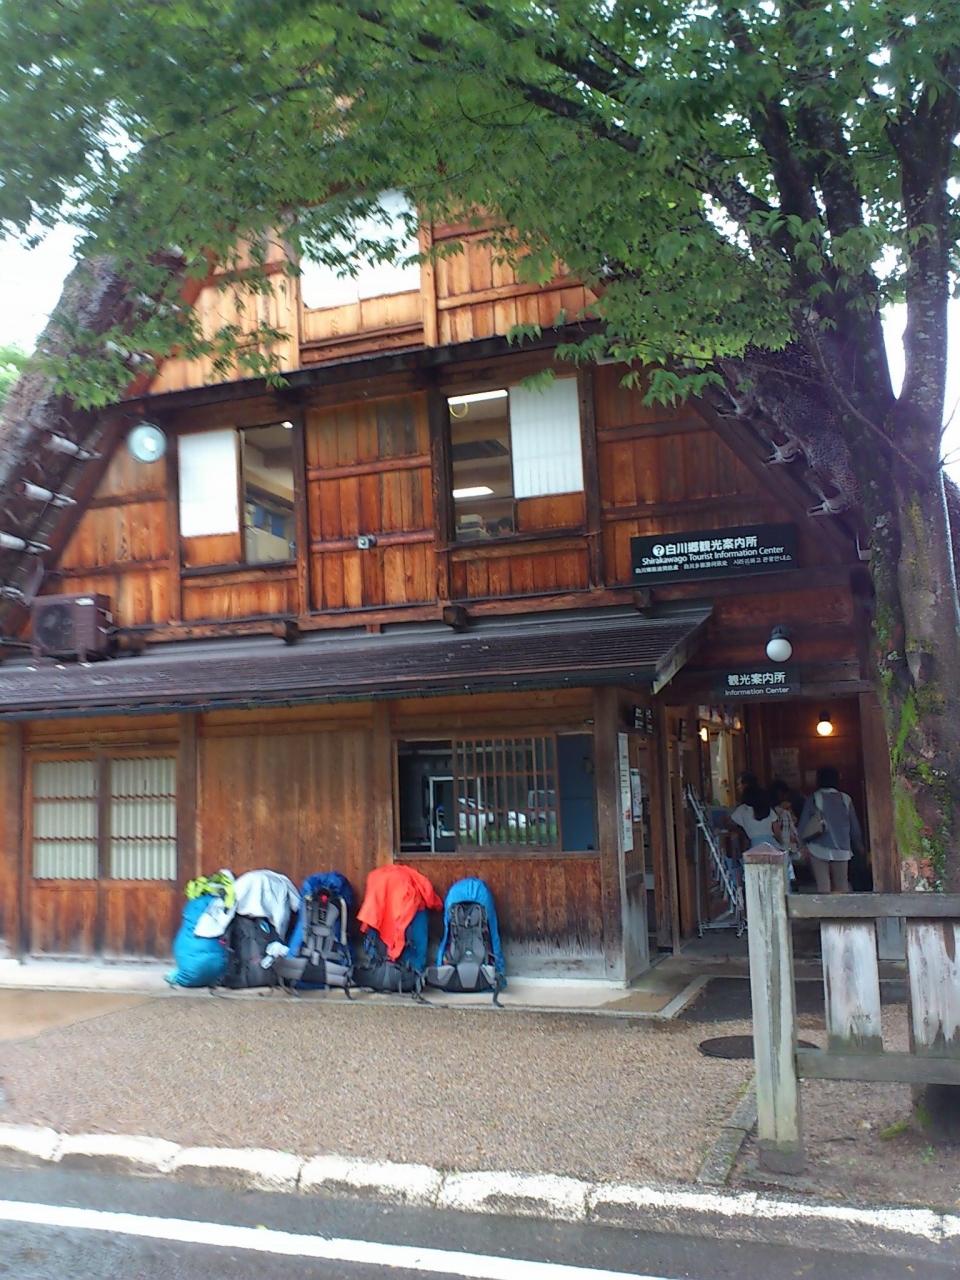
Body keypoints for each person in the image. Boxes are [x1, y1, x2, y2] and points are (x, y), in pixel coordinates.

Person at [798, 766, 864, 893]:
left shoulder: (813, 798)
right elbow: (854, 826)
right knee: (842, 885)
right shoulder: (846, 799)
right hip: (842, 849)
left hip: (818, 848)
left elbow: (802, 826)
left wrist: (801, 846)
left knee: (823, 886)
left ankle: (825, 907)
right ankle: (844, 906)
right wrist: (859, 845)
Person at [727, 783, 782, 849]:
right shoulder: (767, 808)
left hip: (755, 845)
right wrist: (780, 843)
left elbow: (729, 822)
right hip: (772, 844)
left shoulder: (742, 809)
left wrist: (740, 830)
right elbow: (777, 831)